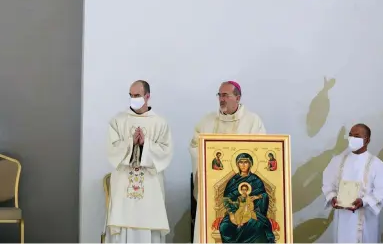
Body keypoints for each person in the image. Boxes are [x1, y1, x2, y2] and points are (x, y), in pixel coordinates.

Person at [190, 81, 266, 243]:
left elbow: (261, 150)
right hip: (212, 187)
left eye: (226, 95)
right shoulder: (207, 121)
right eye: (220, 95)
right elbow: (194, 146)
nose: (221, 99)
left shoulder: (253, 121)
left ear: (237, 98)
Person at [105, 80, 172, 243]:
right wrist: (131, 142)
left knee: (148, 224)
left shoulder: (160, 123)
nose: (133, 99)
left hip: (150, 186)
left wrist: (145, 144)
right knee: (122, 224)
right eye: (131, 95)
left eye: (137, 95)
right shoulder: (118, 121)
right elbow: (111, 149)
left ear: (147, 96)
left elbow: (166, 152)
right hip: (123, 187)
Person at [322, 123, 383, 243]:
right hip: (342, 217)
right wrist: (332, 197)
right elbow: (328, 182)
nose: (352, 138)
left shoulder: (376, 164)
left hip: (365, 219)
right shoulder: (338, 161)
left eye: (357, 136)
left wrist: (364, 201)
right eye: (350, 135)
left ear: (367, 140)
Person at [219, 153, 275, 243]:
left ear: (250, 164)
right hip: (235, 211)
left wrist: (257, 197)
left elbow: (264, 196)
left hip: (253, 211)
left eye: (246, 162)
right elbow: (226, 199)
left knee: (256, 225)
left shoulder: (256, 180)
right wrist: (231, 214)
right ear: (237, 164)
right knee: (224, 226)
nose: (243, 165)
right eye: (241, 162)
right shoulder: (233, 180)